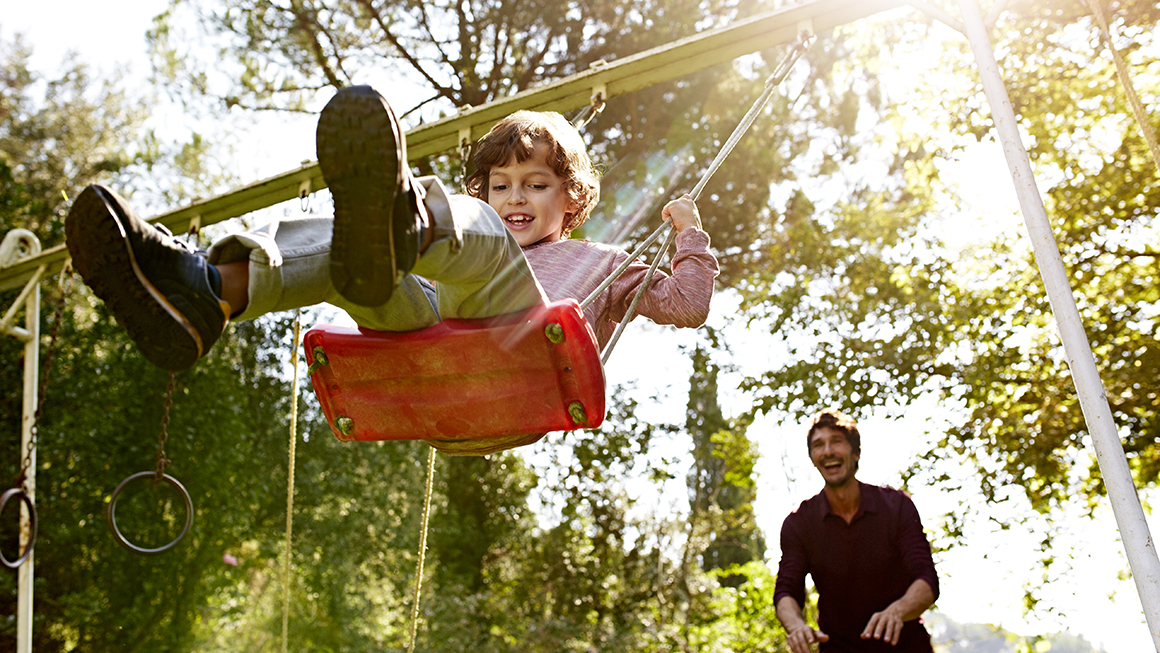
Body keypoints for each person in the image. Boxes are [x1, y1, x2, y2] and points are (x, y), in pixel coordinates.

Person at [64, 85, 719, 454]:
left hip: (520, 376)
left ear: (571, 199)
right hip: (436, 369)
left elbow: (687, 305)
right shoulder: (472, 237)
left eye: (536, 184)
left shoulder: (603, 263)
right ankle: (210, 290)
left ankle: (402, 223)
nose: (515, 197)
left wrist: (690, 236)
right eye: (500, 184)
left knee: (468, 239)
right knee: (346, 256)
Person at [773, 409, 939, 652]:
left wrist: (897, 611)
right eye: (819, 445)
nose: (828, 451)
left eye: (836, 442)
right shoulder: (799, 524)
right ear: (812, 457)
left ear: (856, 452)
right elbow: (787, 589)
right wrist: (797, 626)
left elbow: (926, 579)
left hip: (906, 646)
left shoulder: (896, 506)